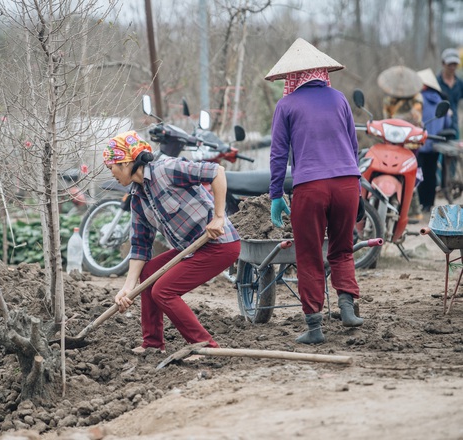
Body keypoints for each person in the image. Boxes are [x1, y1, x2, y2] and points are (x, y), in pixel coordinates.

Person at [103, 130, 241, 353]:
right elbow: (140, 246)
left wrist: (218, 217)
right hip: (189, 249)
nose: (112, 174)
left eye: (112, 167)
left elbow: (217, 171)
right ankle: (153, 344)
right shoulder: (137, 197)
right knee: (148, 273)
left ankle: (204, 345)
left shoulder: (166, 169)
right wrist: (128, 288)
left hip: (218, 245)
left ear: (126, 162)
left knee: (163, 291)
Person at [264, 38, 363, 344]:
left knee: (308, 256)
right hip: (347, 182)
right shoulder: (340, 99)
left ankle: (314, 327)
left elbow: (278, 155)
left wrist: (276, 194)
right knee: (343, 248)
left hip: (311, 188)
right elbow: (353, 146)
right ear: (321, 71)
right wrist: (357, 188)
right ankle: (347, 307)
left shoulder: (287, 104)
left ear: (291, 76)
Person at [377, 65, 425, 223]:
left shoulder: (389, 99)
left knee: (406, 172)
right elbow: (416, 119)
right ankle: (409, 209)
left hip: (403, 141)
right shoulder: (417, 98)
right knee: (407, 172)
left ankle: (411, 209)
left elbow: (387, 119)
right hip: (409, 140)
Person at [416, 68, 450, 214]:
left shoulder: (418, 99)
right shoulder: (441, 100)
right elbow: (447, 123)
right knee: (431, 174)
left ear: (423, 85)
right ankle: (429, 204)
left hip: (420, 143)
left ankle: (420, 204)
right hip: (435, 144)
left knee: (419, 174)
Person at [437, 48, 463, 139]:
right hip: (438, 126)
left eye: (454, 65)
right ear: (443, 63)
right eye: (450, 64)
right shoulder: (436, 82)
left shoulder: (460, 83)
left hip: (454, 125)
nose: (452, 67)